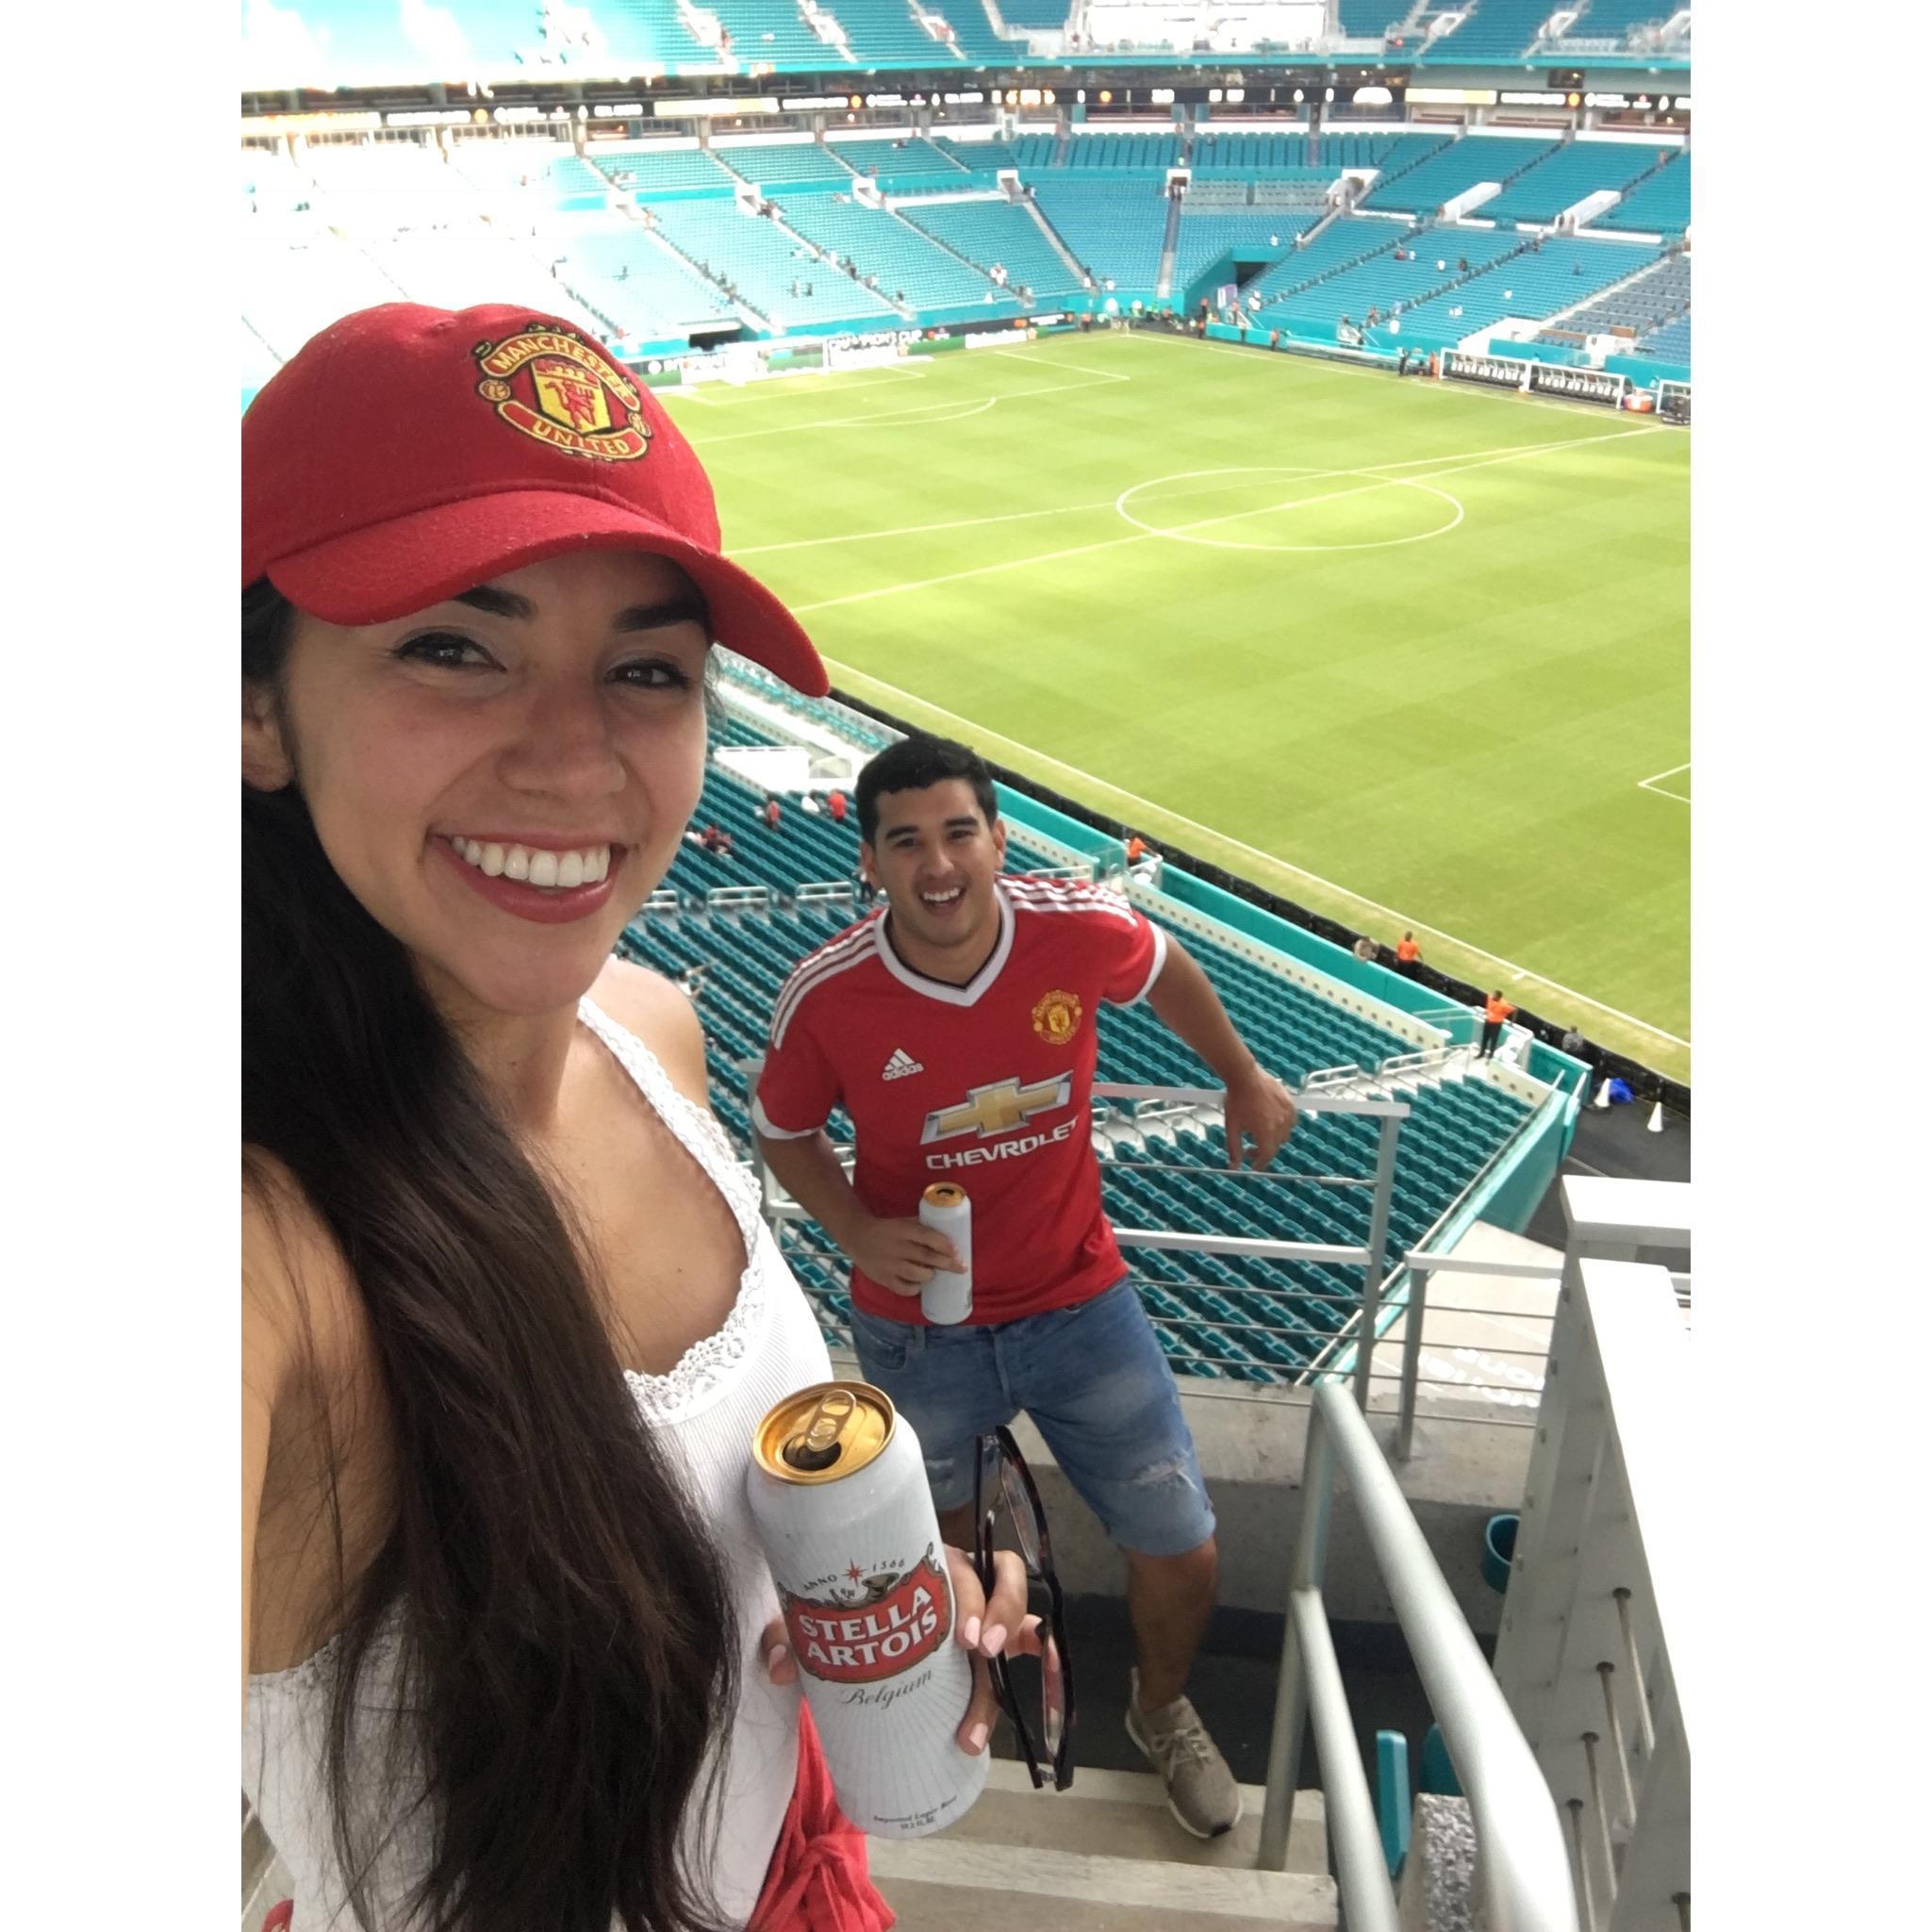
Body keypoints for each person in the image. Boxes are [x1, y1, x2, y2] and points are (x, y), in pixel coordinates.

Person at [242, 305, 1040, 1932]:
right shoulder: (261, 1243)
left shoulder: (653, 1030)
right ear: (254, 705)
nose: (574, 752)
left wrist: (887, 1597)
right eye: (454, 645)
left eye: (646, 668)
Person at [752, 735, 1300, 1841]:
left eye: (959, 832)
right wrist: (857, 1225)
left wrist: (1241, 1077)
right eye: (906, 842)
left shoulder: (1076, 928)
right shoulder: (831, 996)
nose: (938, 862)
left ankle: (1160, 1712)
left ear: (1000, 840)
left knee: (1181, 1543)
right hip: (920, 1333)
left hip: (1079, 1300)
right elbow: (783, 1131)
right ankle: (971, 1697)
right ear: (870, 863)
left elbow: (1167, 969)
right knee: (943, 1554)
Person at [1479, 989, 1517, 1060]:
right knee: (1484, 1038)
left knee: (1493, 1040)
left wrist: (1512, 1023)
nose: (1493, 996)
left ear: (1499, 997)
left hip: (1496, 1024)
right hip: (1488, 1021)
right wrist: (1487, 1011)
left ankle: (1490, 1056)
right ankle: (1481, 1053)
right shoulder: (1490, 998)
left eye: (1495, 995)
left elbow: (1514, 1010)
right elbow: (1489, 1007)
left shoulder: (1503, 1005)